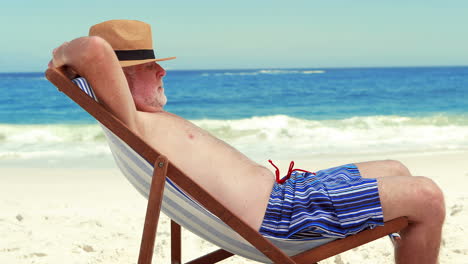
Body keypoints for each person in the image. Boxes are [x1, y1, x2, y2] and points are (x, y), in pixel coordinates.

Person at [49, 19, 445, 264]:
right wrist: (62, 55)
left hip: (291, 196)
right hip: (280, 218)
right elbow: (94, 50)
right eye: (149, 66)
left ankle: (410, 246)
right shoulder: (130, 120)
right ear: (120, 77)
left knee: (396, 169)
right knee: (426, 197)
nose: (161, 73)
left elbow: (97, 55)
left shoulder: (142, 121)